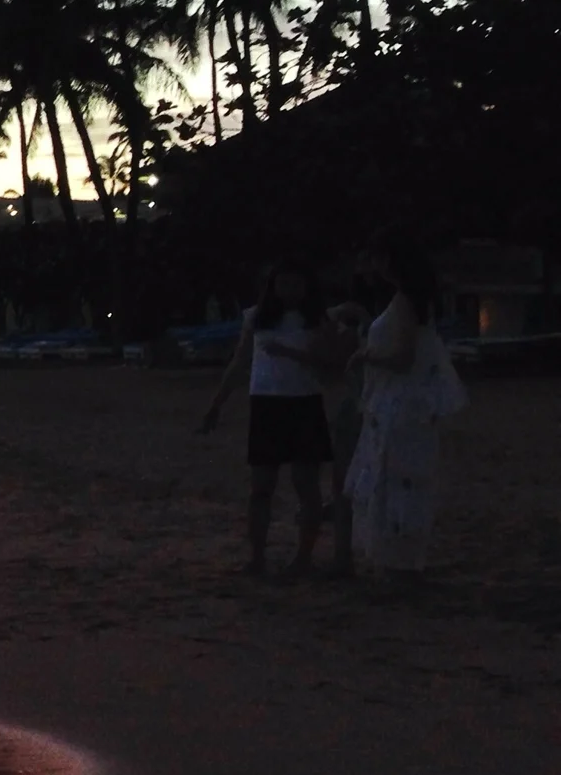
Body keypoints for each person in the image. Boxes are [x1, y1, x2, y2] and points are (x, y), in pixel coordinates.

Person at [341, 234, 466, 586]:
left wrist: (365, 354)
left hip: (402, 404)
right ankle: (397, 564)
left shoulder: (406, 301)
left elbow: (402, 358)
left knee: (396, 479)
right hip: (402, 403)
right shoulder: (406, 299)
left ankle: (400, 567)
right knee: (396, 479)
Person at [199, 261, 333, 576]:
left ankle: (303, 557)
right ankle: (257, 556)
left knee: (306, 485)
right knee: (261, 487)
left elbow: (330, 361)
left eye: (295, 285)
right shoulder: (256, 318)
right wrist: (217, 404)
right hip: (267, 405)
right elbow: (239, 363)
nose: (289, 292)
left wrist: (292, 353)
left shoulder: (316, 320)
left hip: (304, 404)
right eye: (283, 285)